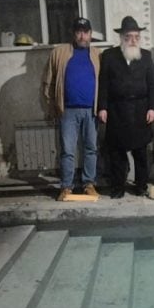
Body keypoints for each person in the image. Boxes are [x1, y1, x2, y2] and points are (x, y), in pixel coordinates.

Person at [98, 15, 154, 198]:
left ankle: (141, 186)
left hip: (140, 110)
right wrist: (102, 107)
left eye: (136, 37)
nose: (133, 40)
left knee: (141, 152)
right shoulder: (109, 56)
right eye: (129, 37)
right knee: (117, 153)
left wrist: (153, 108)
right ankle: (118, 188)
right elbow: (103, 84)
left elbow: (152, 85)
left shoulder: (146, 56)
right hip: (117, 110)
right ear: (122, 38)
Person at [41, 17, 101, 201]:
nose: (82, 36)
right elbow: (48, 82)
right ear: (73, 34)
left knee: (91, 148)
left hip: (91, 110)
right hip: (67, 111)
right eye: (79, 32)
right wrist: (52, 107)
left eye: (85, 32)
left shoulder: (98, 54)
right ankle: (66, 187)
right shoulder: (59, 53)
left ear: (90, 34)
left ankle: (88, 184)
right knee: (67, 150)